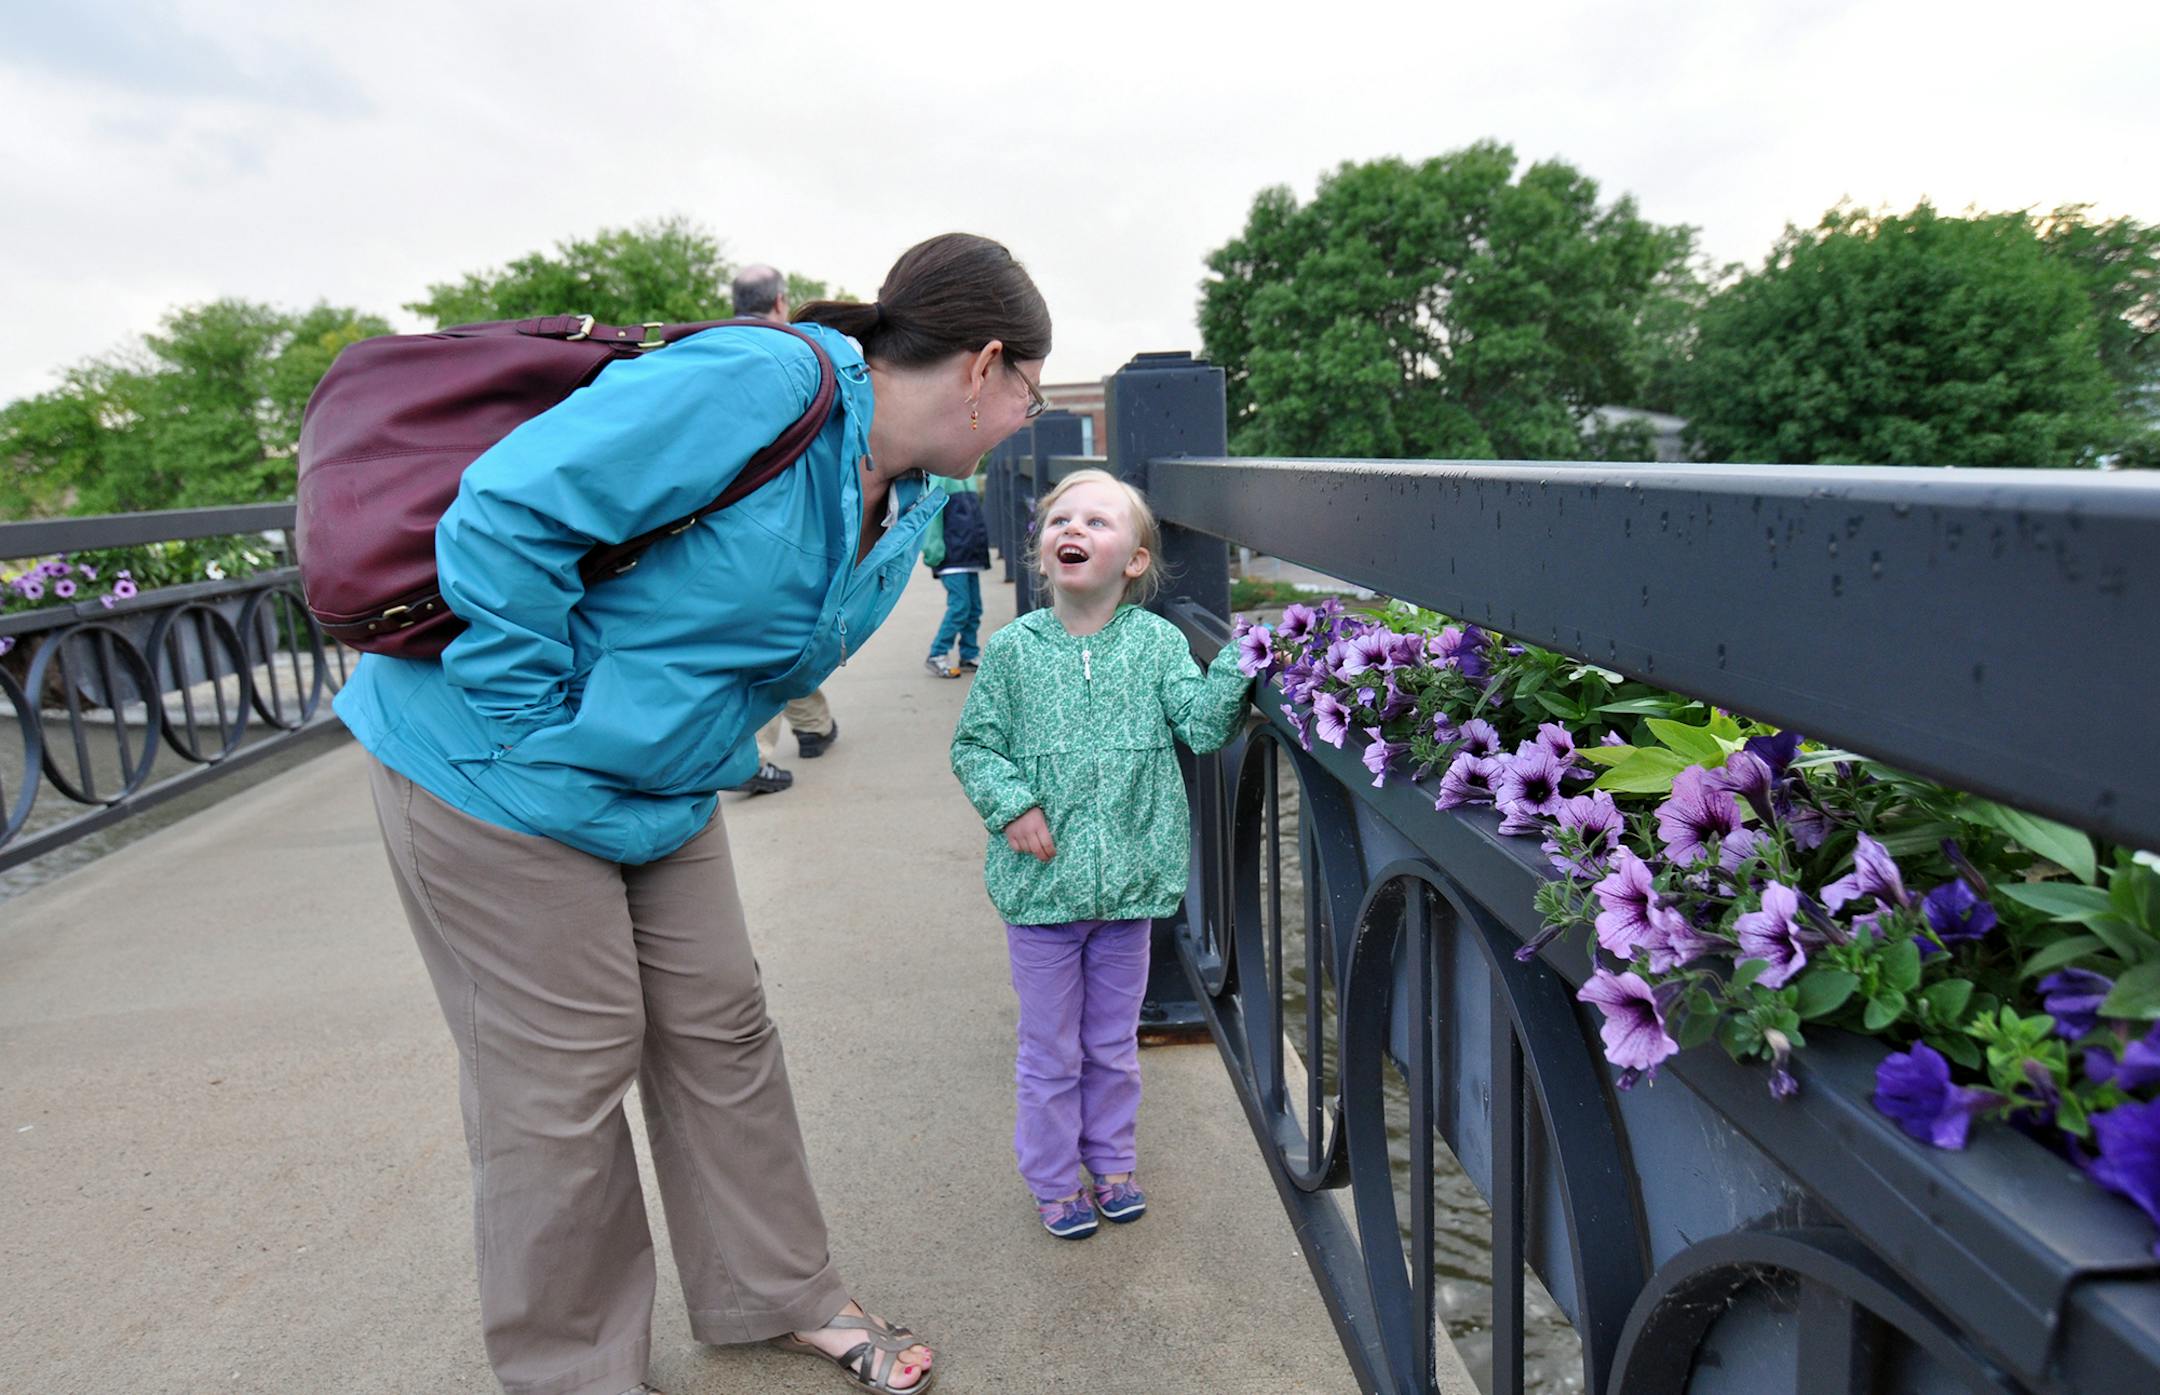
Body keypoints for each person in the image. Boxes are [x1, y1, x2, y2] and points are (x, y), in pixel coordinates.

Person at [334, 232, 1051, 1395]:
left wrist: (643, 738)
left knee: (723, 1028)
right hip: (489, 766)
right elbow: (502, 515)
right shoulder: (762, 382)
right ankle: (574, 1374)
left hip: (658, 781)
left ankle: (780, 1291)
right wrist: (536, 720)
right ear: (983, 366)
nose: (1026, 420)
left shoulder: (908, 492)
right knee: (560, 1079)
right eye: (1028, 393)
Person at [949, 469, 1251, 1239]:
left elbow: (1202, 724)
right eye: (1061, 520)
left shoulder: (1156, 644)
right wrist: (1012, 805)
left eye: (1097, 521)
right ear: (1042, 553)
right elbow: (975, 746)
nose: (1073, 529)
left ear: (1135, 561)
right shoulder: (1013, 651)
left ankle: (1112, 1162)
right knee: (1050, 1048)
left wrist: (1243, 660)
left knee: (1112, 1045)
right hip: (1040, 891)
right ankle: (1054, 1179)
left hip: (1129, 891)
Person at [729, 263, 834, 794]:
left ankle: (815, 725)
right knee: (780, 635)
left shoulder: (706, 348)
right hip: (783, 519)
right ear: (778, 302)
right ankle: (755, 755)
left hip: (721, 518)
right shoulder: (796, 352)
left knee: (778, 635)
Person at [920, 463, 990, 678]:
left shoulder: (968, 475)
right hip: (952, 555)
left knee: (974, 608)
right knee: (960, 606)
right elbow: (932, 515)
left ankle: (969, 653)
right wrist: (934, 551)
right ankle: (937, 653)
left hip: (969, 553)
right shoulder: (943, 474)